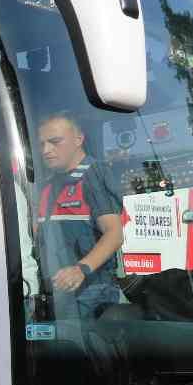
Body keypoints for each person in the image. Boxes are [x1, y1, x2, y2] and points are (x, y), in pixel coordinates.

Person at [34, 112, 123, 322]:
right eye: (42, 144)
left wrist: (80, 269)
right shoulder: (48, 185)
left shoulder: (93, 173)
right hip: (55, 291)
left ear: (78, 139)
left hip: (91, 292)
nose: (46, 150)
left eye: (55, 142)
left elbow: (114, 233)